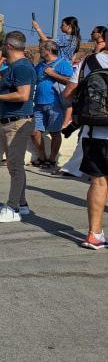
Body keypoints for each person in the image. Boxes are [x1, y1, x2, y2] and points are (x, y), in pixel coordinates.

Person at [0, 31, 37, 222]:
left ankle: (12, 208)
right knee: (15, 166)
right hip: (10, 121)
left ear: (10, 46)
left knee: (15, 167)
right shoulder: (14, 67)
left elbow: (23, 95)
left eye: (4, 45)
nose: (2, 48)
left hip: (18, 122)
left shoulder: (22, 68)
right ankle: (21, 204)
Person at [64, 39, 108, 249]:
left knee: (98, 182)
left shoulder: (88, 62)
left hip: (95, 132)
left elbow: (68, 94)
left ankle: (94, 234)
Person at [31, 40, 72, 168]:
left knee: (55, 133)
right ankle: (42, 157)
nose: (39, 50)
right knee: (35, 132)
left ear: (48, 50)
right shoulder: (41, 65)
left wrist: (53, 74)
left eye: (41, 48)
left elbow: (71, 81)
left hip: (55, 104)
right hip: (38, 103)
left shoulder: (63, 63)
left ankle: (52, 159)